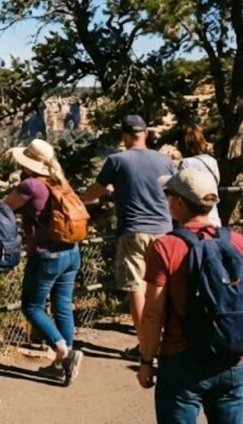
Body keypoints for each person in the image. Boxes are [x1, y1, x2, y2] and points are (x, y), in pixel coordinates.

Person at [136, 168, 243, 423]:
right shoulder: (237, 242)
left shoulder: (165, 246)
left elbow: (153, 313)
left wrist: (146, 361)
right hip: (231, 355)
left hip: (181, 358)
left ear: (179, 203)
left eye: (168, 195)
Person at [83, 114, 174, 346]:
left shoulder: (117, 161)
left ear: (125, 136)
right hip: (165, 230)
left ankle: (145, 343)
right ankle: (165, 339)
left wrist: (79, 199)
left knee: (137, 287)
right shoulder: (164, 160)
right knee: (162, 286)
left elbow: (94, 191)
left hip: (133, 230)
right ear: (146, 134)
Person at [3, 139, 83, 385]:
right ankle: (61, 366)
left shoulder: (30, 185)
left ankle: (64, 352)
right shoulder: (60, 180)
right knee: (62, 305)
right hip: (72, 250)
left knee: (32, 307)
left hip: (46, 255)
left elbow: (3, 207)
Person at [177, 125, 222, 228]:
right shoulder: (212, 161)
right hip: (213, 217)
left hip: (194, 221)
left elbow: (182, 191)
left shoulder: (186, 163)